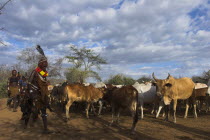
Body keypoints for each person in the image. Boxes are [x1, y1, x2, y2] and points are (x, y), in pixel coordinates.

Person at [24, 45, 52, 133]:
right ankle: (25, 124)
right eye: (44, 63)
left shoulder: (43, 73)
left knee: (44, 108)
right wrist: (30, 93)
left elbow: (44, 80)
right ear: (40, 64)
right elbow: (29, 83)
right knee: (31, 108)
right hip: (33, 92)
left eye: (46, 64)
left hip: (40, 92)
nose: (45, 65)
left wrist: (46, 84)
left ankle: (45, 129)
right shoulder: (35, 72)